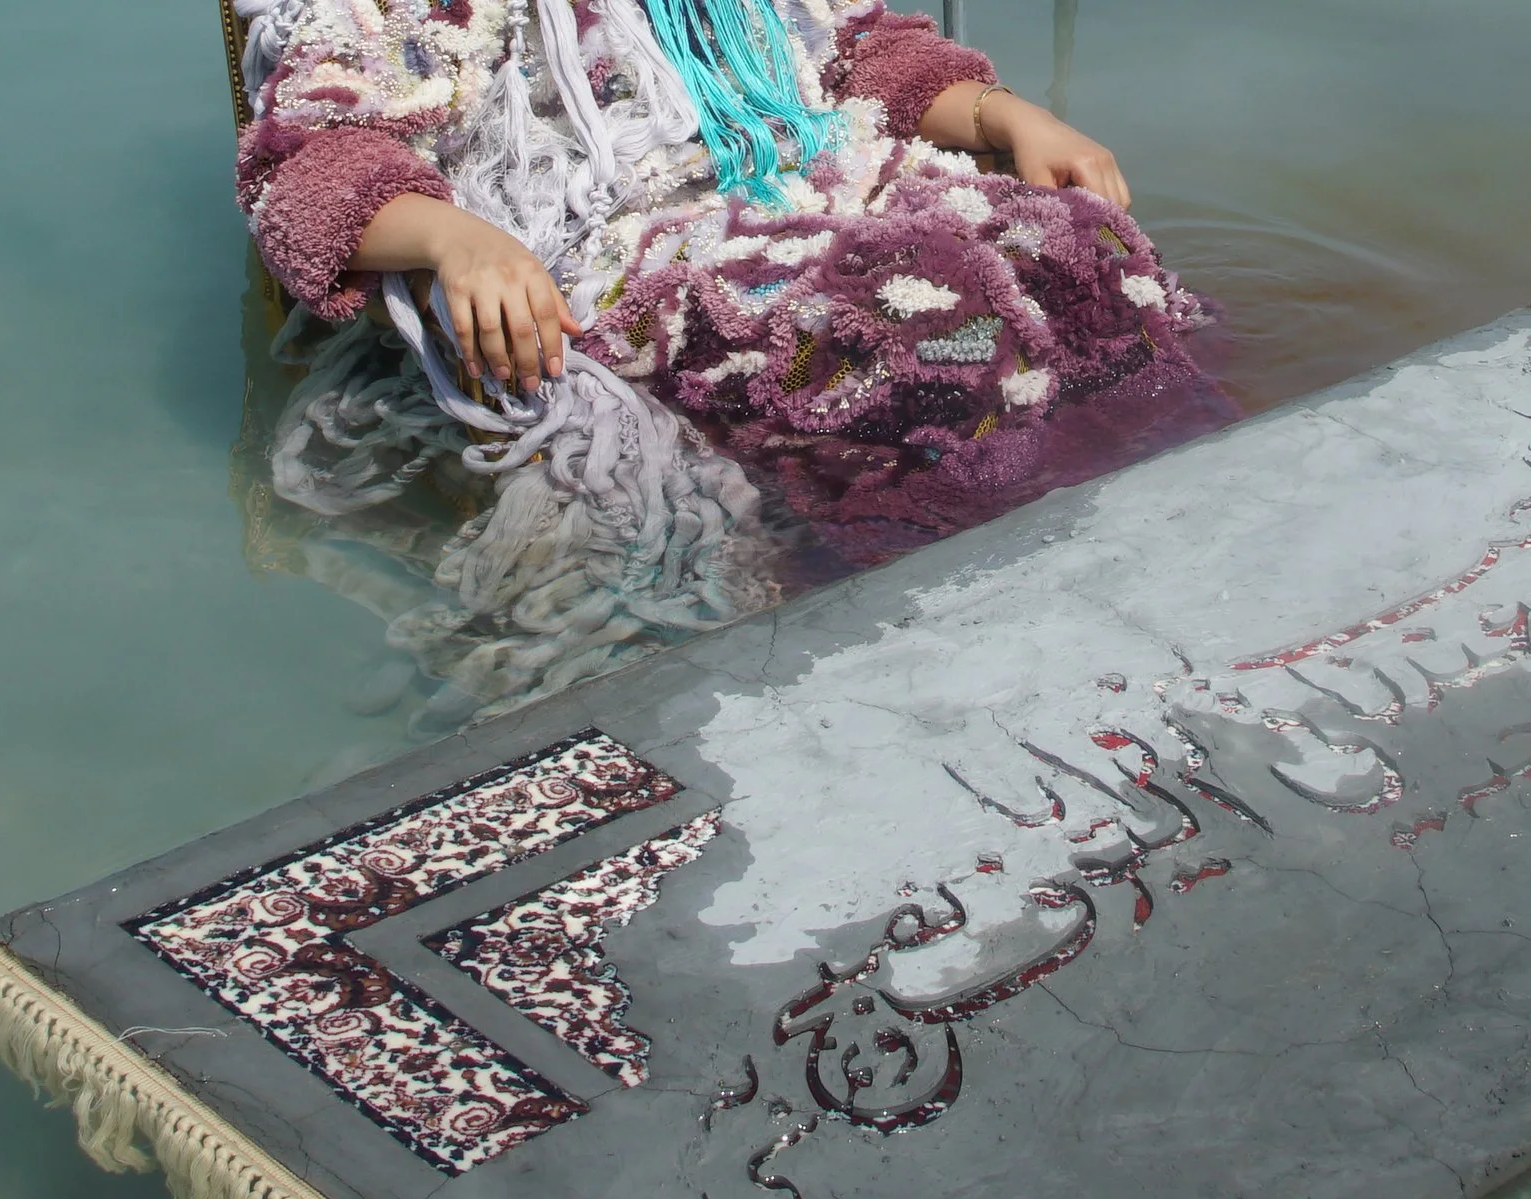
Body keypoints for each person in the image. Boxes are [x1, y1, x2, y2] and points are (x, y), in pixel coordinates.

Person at [233, 0, 1220, 713]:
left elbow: (862, 54)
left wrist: (1009, 117)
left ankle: (1173, 531)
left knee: (1079, 252)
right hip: (607, 237)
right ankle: (923, 625)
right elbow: (312, 170)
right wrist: (451, 238)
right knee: (909, 334)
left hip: (814, 179)